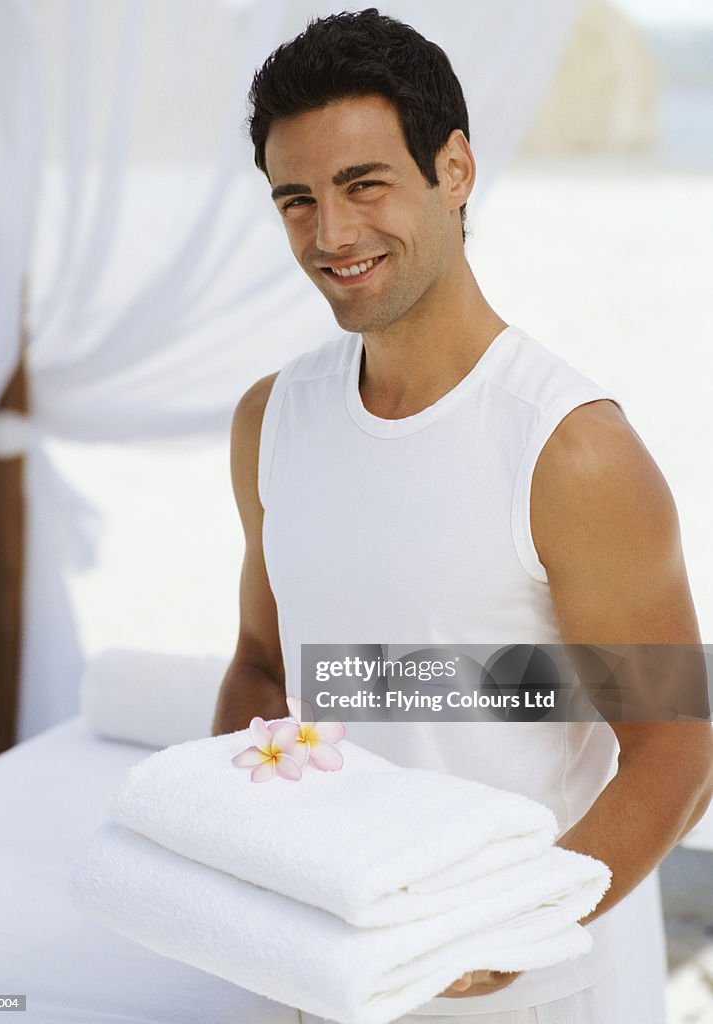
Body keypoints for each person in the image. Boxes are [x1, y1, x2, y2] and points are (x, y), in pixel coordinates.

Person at [212, 8, 713, 1022]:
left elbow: (677, 743)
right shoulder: (271, 419)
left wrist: (500, 940)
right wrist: (243, 848)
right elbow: (266, 661)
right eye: (297, 200)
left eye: (365, 186)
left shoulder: (570, 449)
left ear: (455, 171)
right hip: (322, 964)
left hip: (522, 986)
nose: (332, 235)